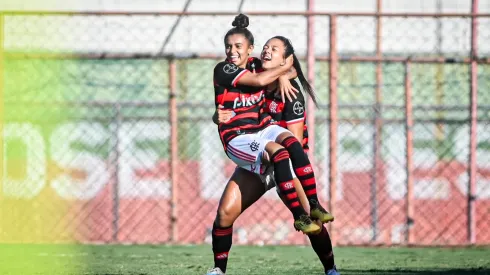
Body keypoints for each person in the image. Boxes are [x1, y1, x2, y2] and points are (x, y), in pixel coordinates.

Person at [206, 14, 337, 275]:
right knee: (225, 214)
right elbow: (233, 100)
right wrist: (215, 116)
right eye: (266, 47)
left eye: (273, 50)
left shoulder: (291, 95)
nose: (267, 52)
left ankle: (331, 269)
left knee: (312, 219)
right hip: (259, 153)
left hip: (286, 161)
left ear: (285, 60)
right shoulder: (255, 74)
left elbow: (295, 141)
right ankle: (219, 270)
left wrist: (287, 76)